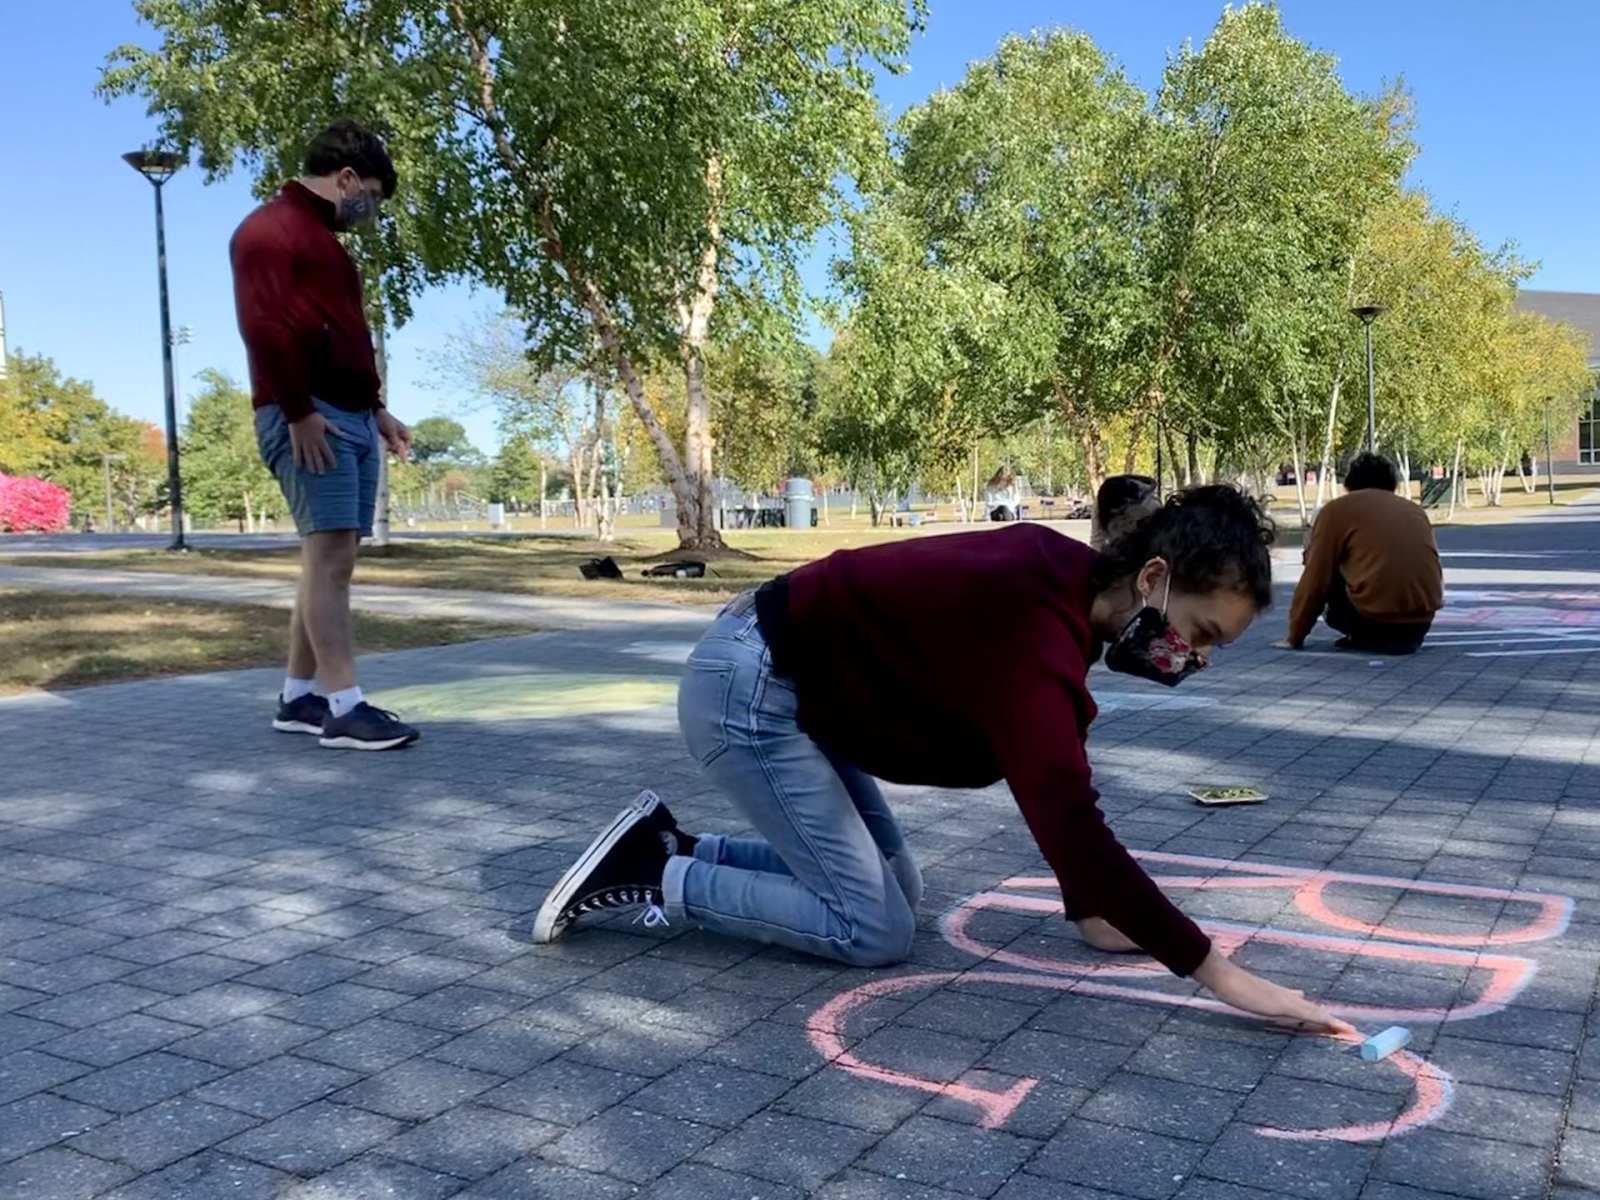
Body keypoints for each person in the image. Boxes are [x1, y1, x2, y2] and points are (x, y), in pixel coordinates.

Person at [536, 487, 1354, 1035]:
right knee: (873, 928)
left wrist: (1091, 909)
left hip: (793, 689)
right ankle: (653, 870)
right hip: (749, 693)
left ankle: (680, 846)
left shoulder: (1064, 589)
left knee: (902, 890)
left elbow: (1060, 770)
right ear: (1151, 577)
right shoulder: (1034, 628)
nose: (1195, 658)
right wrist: (1222, 975)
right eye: (1202, 634)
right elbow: (1069, 817)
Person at [231, 119, 419, 750]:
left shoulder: (323, 242)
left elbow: (342, 338)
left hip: (349, 414)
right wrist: (297, 412)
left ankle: (298, 697)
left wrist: (377, 410)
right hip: (311, 416)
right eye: (369, 193)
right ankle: (345, 707)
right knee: (332, 560)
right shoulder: (269, 231)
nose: (368, 210)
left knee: (325, 562)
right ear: (345, 178)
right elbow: (266, 327)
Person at [1285, 451, 1442, 655]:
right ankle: (1379, 636)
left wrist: (1294, 636)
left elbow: (1316, 579)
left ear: (1350, 482)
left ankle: (1366, 636)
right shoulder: (1414, 510)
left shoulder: (1337, 510)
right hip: (1420, 623)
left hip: (1374, 620)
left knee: (1323, 559)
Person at [1090, 474, 1161, 551]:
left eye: (1120, 512)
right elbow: (1097, 540)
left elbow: (1158, 541)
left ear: (1128, 501)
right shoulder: (1101, 501)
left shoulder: (1151, 507)